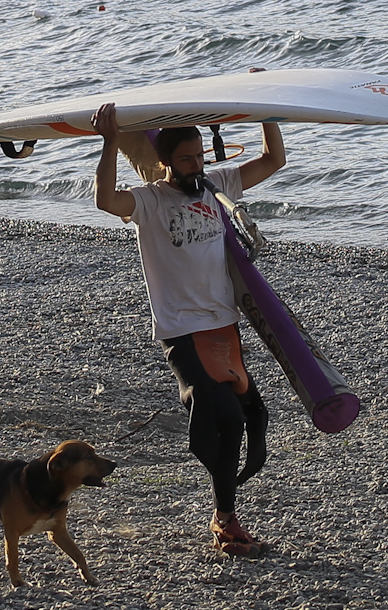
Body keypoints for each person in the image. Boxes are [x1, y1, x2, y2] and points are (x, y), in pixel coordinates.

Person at [92, 103, 286, 557]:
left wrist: (266, 109)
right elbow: (105, 201)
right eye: (186, 159)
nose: (197, 166)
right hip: (182, 330)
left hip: (224, 325)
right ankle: (225, 521)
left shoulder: (217, 187)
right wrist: (108, 141)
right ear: (165, 163)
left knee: (248, 421)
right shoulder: (149, 201)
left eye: (200, 156)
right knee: (226, 418)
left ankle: (224, 515)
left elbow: (274, 160)